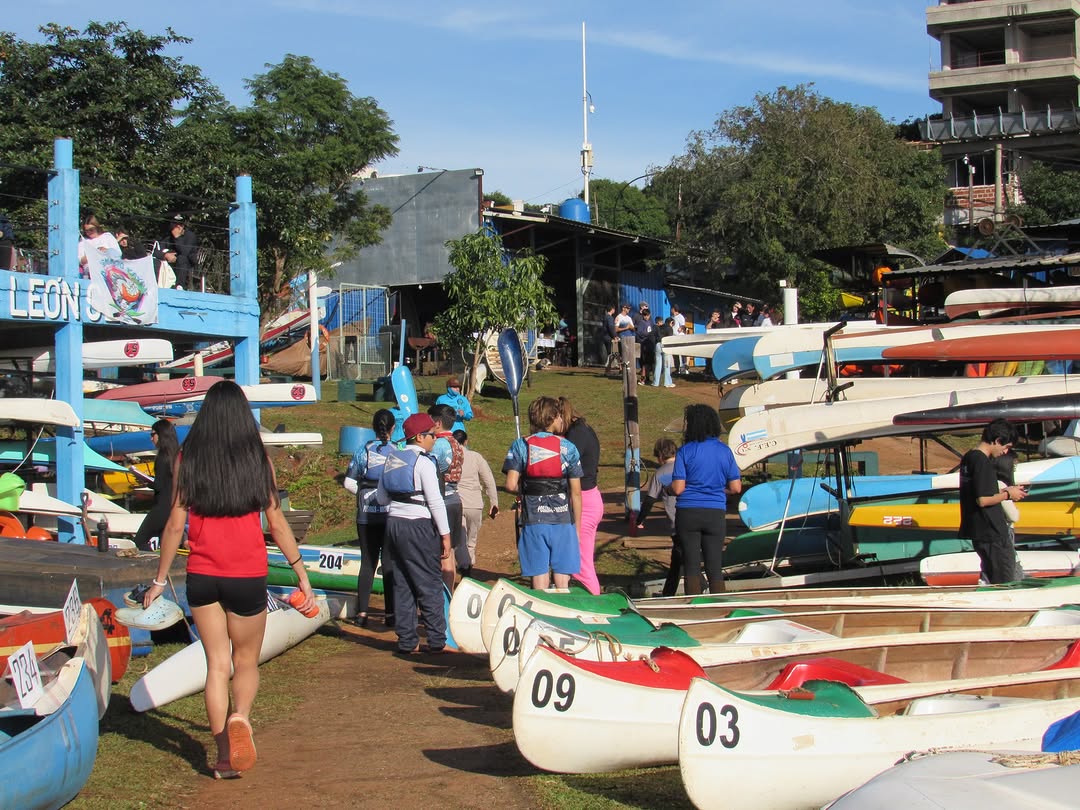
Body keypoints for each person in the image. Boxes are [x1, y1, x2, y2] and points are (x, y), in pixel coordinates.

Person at [144, 380, 315, 778]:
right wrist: (300, 572)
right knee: (246, 662)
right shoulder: (258, 459)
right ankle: (241, 717)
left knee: (217, 665)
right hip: (247, 574)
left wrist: (158, 579)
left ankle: (222, 757)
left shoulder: (188, 459)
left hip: (203, 575)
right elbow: (277, 523)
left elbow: (173, 526)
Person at [376, 413, 453, 654]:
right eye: (432, 435)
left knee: (402, 583)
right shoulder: (424, 463)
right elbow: (436, 502)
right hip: (418, 525)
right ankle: (436, 639)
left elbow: (381, 497)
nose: (434, 439)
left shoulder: (391, 459)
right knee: (429, 582)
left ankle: (407, 641)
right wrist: (446, 534)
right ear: (419, 437)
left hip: (394, 525)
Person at [503, 396, 583, 589]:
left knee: (539, 579)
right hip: (563, 520)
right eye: (559, 416)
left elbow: (510, 484)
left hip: (534, 519)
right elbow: (576, 493)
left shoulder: (521, 445)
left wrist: (526, 488)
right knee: (563, 581)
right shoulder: (568, 448)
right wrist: (577, 529)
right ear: (553, 417)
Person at [670, 404, 742, 594]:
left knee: (692, 566)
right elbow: (736, 487)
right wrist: (718, 490)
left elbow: (678, 488)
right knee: (714, 566)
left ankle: (694, 606)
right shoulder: (724, 451)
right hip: (715, 512)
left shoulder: (686, 451)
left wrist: (667, 489)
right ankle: (719, 605)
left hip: (688, 511)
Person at [343, 409, 397, 628]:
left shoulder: (362, 450)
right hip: (390, 515)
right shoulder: (398, 451)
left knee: (367, 563)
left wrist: (365, 495)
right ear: (393, 428)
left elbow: (348, 482)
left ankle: (362, 613)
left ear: (373, 427)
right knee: (389, 562)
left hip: (365, 515)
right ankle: (391, 615)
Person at [959, 419, 1028, 584]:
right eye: (1006, 447)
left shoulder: (969, 458)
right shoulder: (982, 461)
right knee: (1006, 580)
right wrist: (1008, 494)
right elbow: (983, 500)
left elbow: (978, 492)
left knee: (991, 576)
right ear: (997, 440)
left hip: (978, 530)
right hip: (992, 531)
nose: (1005, 452)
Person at [556, 397, 602, 594]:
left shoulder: (577, 434)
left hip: (585, 500)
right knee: (575, 561)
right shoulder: (580, 430)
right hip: (586, 497)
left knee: (582, 565)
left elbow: (563, 462)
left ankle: (596, 604)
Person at [427, 403, 466, 588]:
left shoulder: (439, 445)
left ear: (437, 422)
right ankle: (448, 594)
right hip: (455, 498)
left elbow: (430, 470)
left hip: (442, 499)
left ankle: (439, 595)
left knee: (440, 552)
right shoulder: (457, 444)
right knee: (449, 551)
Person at [637, 438, 680, 596]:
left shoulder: (661, 473)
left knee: (677, 562)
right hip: (697, 515)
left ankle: (670, 594)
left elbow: (650, 500)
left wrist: (640, 519)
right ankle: (670, 592)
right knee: (684, 559)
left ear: (660, 456)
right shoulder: (687, 467)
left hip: (677, 522)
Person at [453, 430, 499, 575]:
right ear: (466, 441)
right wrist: (494, 502)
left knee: (460, 539)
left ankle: (464, 566)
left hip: (457, 502)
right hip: (474, 504)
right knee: (471, 539)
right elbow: (488, 480)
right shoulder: (475, 457)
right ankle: (468, 564)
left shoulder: (451, 456)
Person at [132, 420, 180, 552]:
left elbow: (159, 485)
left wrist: (147, 481)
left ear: (161, 435)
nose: (151, 438)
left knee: (139, 541)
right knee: (165, 544)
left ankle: (150, 566)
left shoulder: (162, 458)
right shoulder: (176, 456)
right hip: (174, 507)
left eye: (152, 434)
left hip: (161, 507)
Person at [162, 214, 200, 290]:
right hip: (172, 262)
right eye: (175, 225)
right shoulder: (169, 237)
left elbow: (185, 252)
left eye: (180, 225)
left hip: (189, 263)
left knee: (182, 258)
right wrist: (165, 255)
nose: (178, 227)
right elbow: (159, 248)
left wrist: (177, 238)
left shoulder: (190, 236)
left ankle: (179, 286)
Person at [634, 304, 656, 384]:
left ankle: (648, 378)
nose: (646, 317)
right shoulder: (641, 323)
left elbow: (653, 330)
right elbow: (639, 333)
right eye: (644, 315)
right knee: (644, 362)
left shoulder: (651, 322)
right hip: (644, 344)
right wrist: (647, 334)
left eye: (647, 315)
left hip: (650, 344)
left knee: (649, 362)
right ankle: (642, 378)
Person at [651, 315, 675, 388]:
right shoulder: (669, 328)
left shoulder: (657, 327)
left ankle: (655, 382)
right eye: (672, 323)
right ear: (670, 322)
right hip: (665, 345)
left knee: (658, 364)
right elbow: (670, 338)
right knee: (666, 365)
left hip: (657, 345)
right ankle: (667, 383)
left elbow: (653, 336)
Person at [601, 304, 619, 375]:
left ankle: (607, 370)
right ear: (612, 309)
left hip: (605, 337)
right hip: (609, 337)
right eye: (614, 309)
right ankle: (607, 371)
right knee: (610, 354)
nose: (614, 310)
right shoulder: (610, 318)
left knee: (609, 354)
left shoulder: (605, 317)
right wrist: (615, 336)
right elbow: (611, 327)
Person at [669, 304, 686, 375]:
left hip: (680, 337)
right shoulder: (672, 317)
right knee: (675, 353)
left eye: (671, 309)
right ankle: (677, 368)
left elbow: (683, 325)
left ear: (674, 309)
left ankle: (684, 367)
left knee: (682, 352)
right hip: (673, 337)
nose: (670, 310)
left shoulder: (680, 316)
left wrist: (681, 328)